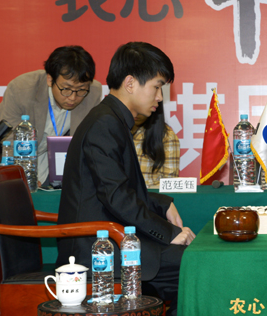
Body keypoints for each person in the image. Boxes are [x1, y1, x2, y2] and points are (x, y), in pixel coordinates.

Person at [56, 42, 195, 316]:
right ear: (130, 83)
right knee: (193, 265)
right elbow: (116, 196)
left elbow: (113, 188)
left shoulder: (112, 119)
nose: (160, 97)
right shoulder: (105, 124)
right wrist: (169, 233)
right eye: (156, 87)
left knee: (189, 264)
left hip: (109, 235)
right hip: (95, 249)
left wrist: (161, 203)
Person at [0, 46, 102, 186]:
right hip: (14, 159)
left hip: (48, 161)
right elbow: (9, 143)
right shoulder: (21, 89)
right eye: (66, 89)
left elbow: (90, 142)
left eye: (81, 90)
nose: (72, 97)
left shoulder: (93, 92)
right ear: (50, 79)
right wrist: (24, 177)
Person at [132, 101, 181, 188]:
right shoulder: (112, 129)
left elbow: (169, 185)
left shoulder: (166, 136)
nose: (137, 112)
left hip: (148, 199)